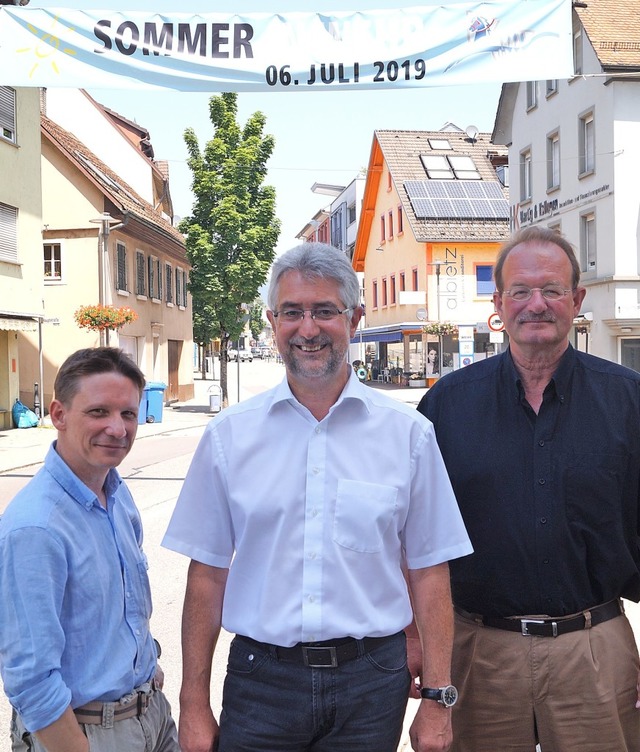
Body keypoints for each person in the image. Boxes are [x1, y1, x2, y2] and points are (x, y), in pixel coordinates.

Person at [162, 242, 472, 752]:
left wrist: (437, 699)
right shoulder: (229, 437)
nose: (308, 329)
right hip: (262, 681)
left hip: (371, 684)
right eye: (292, 313)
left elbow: (429, 572)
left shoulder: (408, 435)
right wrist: (194, 700)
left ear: (355, 319)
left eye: (325, 311)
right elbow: (207, 575)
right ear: (272, 322)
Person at [418, 225, 640, 752]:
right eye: (520, 291)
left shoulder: (629, 402)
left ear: (576, 300)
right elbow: (414, 542)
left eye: (552, 290)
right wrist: (419, 649)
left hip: (595, 649)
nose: (535, 304)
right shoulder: (446, 407)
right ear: (498, 302)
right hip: (478, 654)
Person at [0, 347, 179, 752]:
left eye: (128, 414)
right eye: (99, 412)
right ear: (58, 415)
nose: (118, 429)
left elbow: (125, 610)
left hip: (150, 717)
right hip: (88, 734)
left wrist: (145, 669)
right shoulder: (36, 527)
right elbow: (32, 682)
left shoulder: (116, 494)